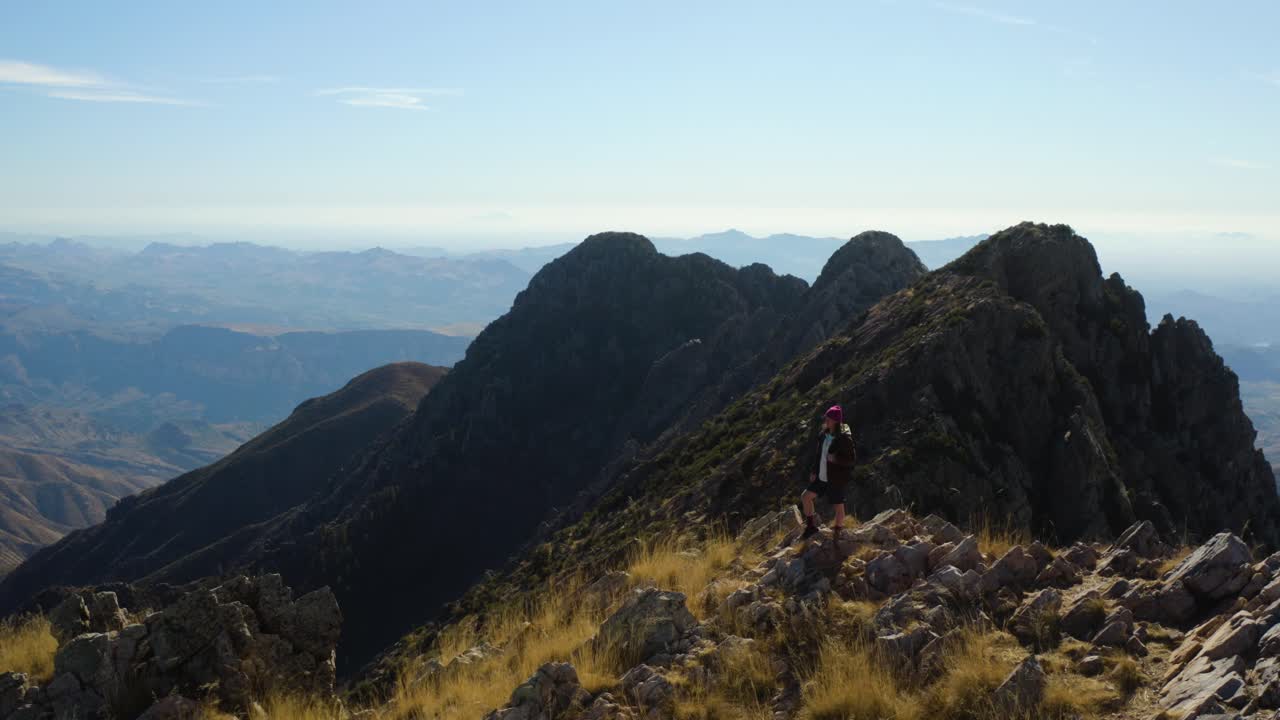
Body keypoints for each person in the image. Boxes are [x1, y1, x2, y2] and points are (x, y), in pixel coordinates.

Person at [801, 405, 857, 540]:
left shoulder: (843, 438)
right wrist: (814, 471)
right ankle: (811, 527)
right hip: (821, 476)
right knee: (805, 497)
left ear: (836, 421)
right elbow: (819, 455)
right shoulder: (824, 435)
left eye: (829, 418)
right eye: (826, 418)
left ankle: (837, 533)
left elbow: (851, 460)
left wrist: (836, 459)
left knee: (838, 507)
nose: (826, 420)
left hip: (835, 478)